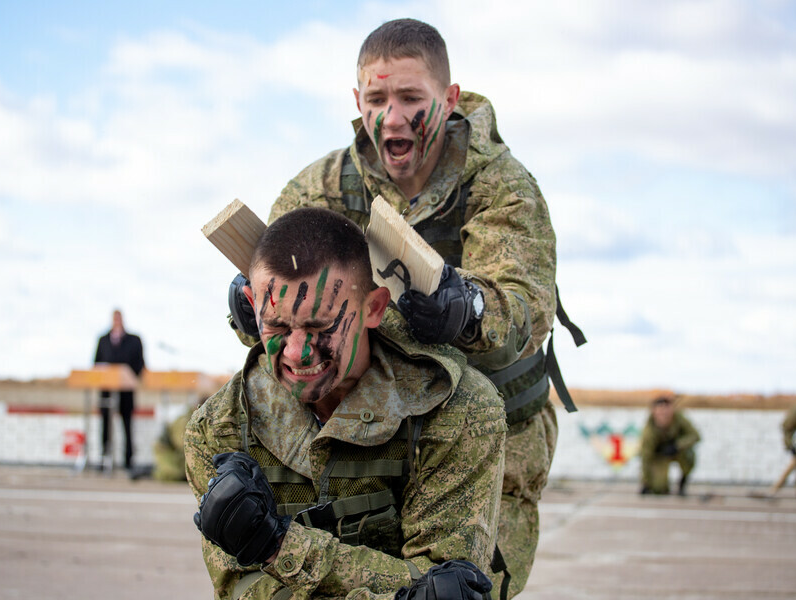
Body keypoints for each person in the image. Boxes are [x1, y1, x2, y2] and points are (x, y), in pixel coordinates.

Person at [226, 18, 584, 596]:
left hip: (489, 434)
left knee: (463, 588)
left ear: (449, 98)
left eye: (411, 97)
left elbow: (525, 308)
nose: (392, 118)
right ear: (356, 101)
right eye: (377, 99)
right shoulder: (323, 187)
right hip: (373, 426)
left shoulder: (501, 187)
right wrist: (250, 311)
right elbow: (283, 298)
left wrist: (465, 307)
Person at [186, 208, 506, 599]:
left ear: (373, 308)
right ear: (252, 305)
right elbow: (246, 592)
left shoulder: (458, 410)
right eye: (277, 326)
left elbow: (449, 584)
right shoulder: (220, 428)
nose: (297, 352)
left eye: (320, 327)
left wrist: (275, 545)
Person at [94, 309, 144, 470]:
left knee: (127, 425)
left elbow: (140, 365)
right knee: (105, 425)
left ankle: (129, 460)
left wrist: (128, 376)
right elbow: (96, 363)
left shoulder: (134, 340)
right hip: (107, 391)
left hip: (126, 392)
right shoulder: (103, 340)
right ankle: (104, 458)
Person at [639, 394, 700, 495]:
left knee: (689, 455)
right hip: (660, 456)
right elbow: (646, 457)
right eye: (660, 411)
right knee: (659, 490)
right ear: (654, 412)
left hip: (678, 452)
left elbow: (695, 436)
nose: (663, 414)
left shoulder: (679, 418)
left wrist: (677, 445)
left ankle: (683, 480)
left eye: (666, 410)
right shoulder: (649, 431)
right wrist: (646, 482)